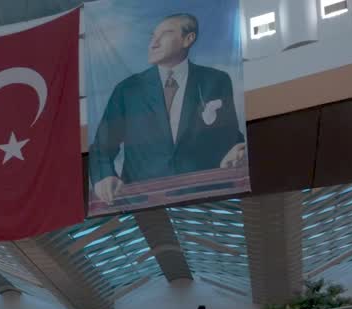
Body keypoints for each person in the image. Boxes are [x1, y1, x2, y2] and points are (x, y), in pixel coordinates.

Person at [90, 13, 247, 205]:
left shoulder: (216, 81)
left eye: (164, 34)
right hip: (144, 202)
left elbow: (229, 134)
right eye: (152, 36)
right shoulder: (127, 90)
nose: (153, 43)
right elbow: (101, 147)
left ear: (188, 39)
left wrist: (238, 150)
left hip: (204, 196)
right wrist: (104, 176)